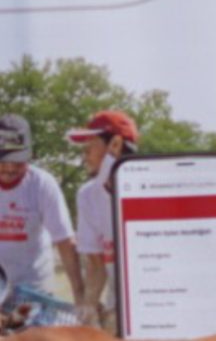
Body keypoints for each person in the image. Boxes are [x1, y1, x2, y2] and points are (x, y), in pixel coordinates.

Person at [62, 112, 134, 333]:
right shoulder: (87, 195)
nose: (85, 157)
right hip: (117, 310)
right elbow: (96, 264)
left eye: (89, 149)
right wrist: (89, 307)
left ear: (115, 145)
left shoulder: (152, 188)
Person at [0, 114, 75, 323]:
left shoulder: (42, 184)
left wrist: (80, 296)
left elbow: (65, 241)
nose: (10, 168)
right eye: (3, 160)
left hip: (33, 293)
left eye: (18, 161)